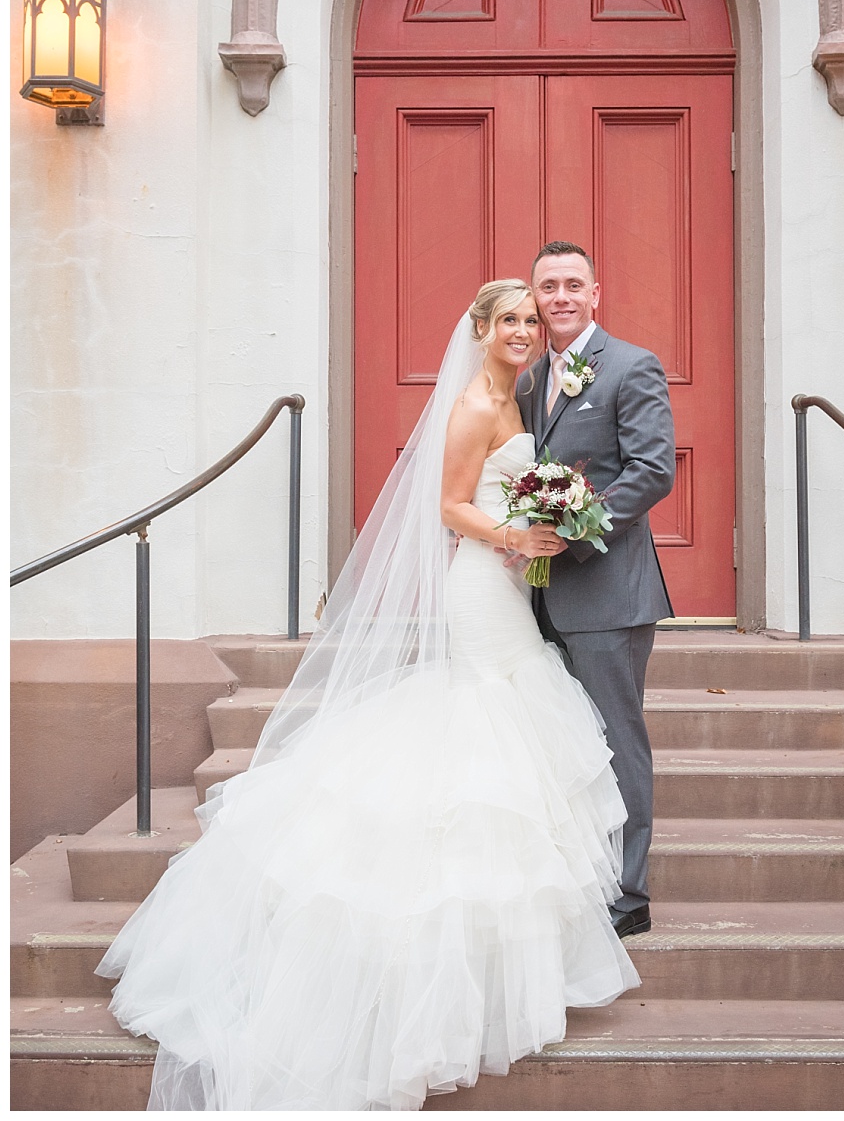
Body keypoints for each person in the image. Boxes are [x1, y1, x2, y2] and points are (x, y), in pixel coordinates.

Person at [98, 279, 639, 1110]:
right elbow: (448, 504)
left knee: (508, 723)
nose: (526, 330)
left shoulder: (520, 393)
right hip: (481, 591)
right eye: (511, 320)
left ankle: (508, 946)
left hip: (509, 590)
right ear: (481, 329)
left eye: (533, 319)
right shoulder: (472, 406)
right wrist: (514, 534)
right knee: (487, 725)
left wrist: (539, 527)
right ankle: (447, 948)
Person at [517, 240, 675, 938]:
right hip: (539, 597)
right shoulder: (527, 381)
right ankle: (578, 873)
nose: (560, 296)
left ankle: (629, 893)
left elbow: (650, 471)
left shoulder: (631, 366)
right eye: (548, 285)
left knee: (617, 739)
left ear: (595, 292)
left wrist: (573, 534)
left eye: (572, 283)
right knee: (563, 742)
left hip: (609, 591)